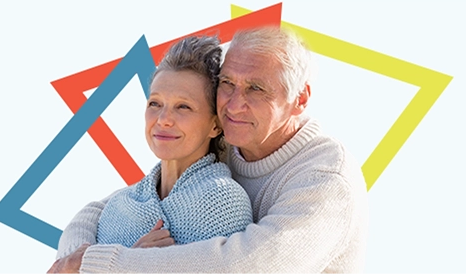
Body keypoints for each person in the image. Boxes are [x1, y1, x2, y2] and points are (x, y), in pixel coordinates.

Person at [48, 26, 369, 274]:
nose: (234, 103)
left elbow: (246, 266)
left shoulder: (326, 177)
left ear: (300, 99)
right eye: (227, 83)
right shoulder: (233, 141)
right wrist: (78, 258)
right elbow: (108, 207)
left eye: (256, 88)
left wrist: (113, 264)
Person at [49, 35, 253, 266]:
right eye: (154, 103)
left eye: (183, 107)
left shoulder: (222, 202)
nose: (163, 119)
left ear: (215, 125)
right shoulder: (121, 204)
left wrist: (126, 264)